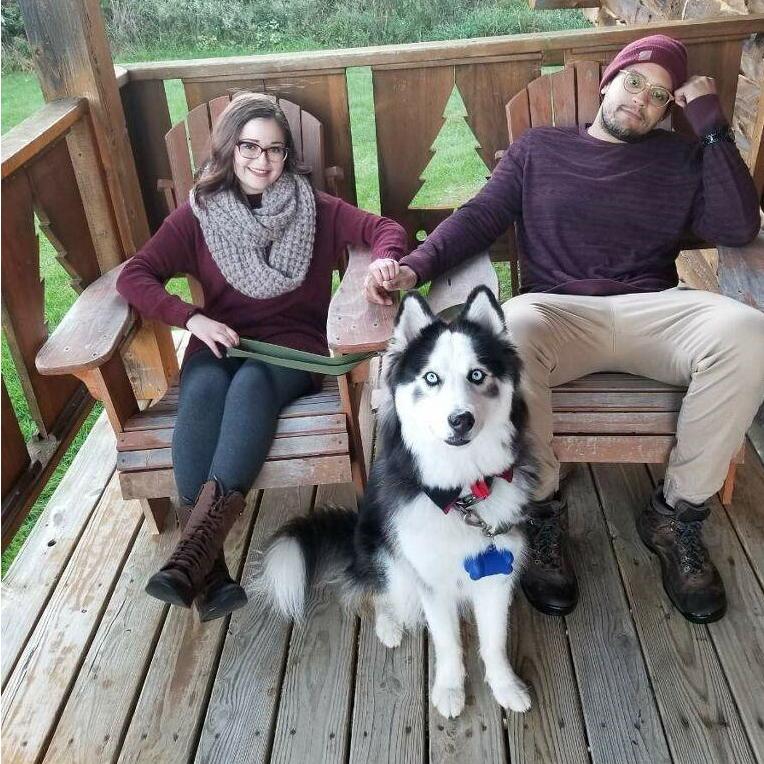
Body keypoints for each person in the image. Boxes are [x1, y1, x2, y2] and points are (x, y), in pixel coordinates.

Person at [363, 35, 764, 624]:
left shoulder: (680, 158)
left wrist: (709, 125)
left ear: (666, 110)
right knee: (514, 328)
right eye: (633, 83)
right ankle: (542, 508)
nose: (642, 100)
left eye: (658, 96)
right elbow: (480, 218)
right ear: (608, 82)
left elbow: (737, 225)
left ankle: (678, 512)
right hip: (558, 311)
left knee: (748, 332)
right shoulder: (539, 150)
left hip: (653, 307)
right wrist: (415, 267)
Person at [117, 93, 408, 621]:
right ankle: (209, 567)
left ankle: (193, 554)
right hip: (219, 339)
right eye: (249, 146)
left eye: (274, 150)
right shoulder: (199, 215)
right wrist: (191, 318)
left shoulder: (315, 208)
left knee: (251, 386)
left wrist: (383, 263)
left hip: (292, 350)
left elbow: (384, 230)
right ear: (229, 149)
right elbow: (134, 276)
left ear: (287, 156)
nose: (261, 160)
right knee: (203, 390)